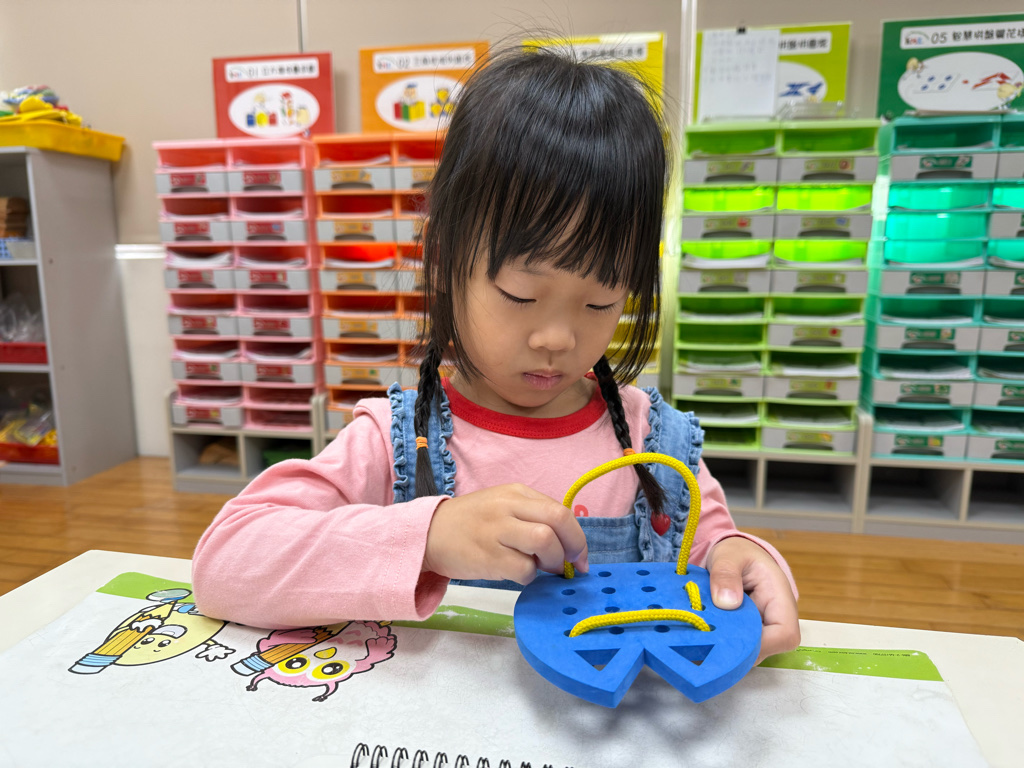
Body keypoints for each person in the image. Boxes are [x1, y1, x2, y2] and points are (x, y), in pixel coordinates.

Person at [192, 46, 800, 664]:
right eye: (520, 295)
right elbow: (226, 561)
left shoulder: (655, 444)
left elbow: (719, 554)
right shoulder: (396, 443)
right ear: (442, 258)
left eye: (600, 302)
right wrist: (430, 536)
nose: (557, 338)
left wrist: (747, 561)